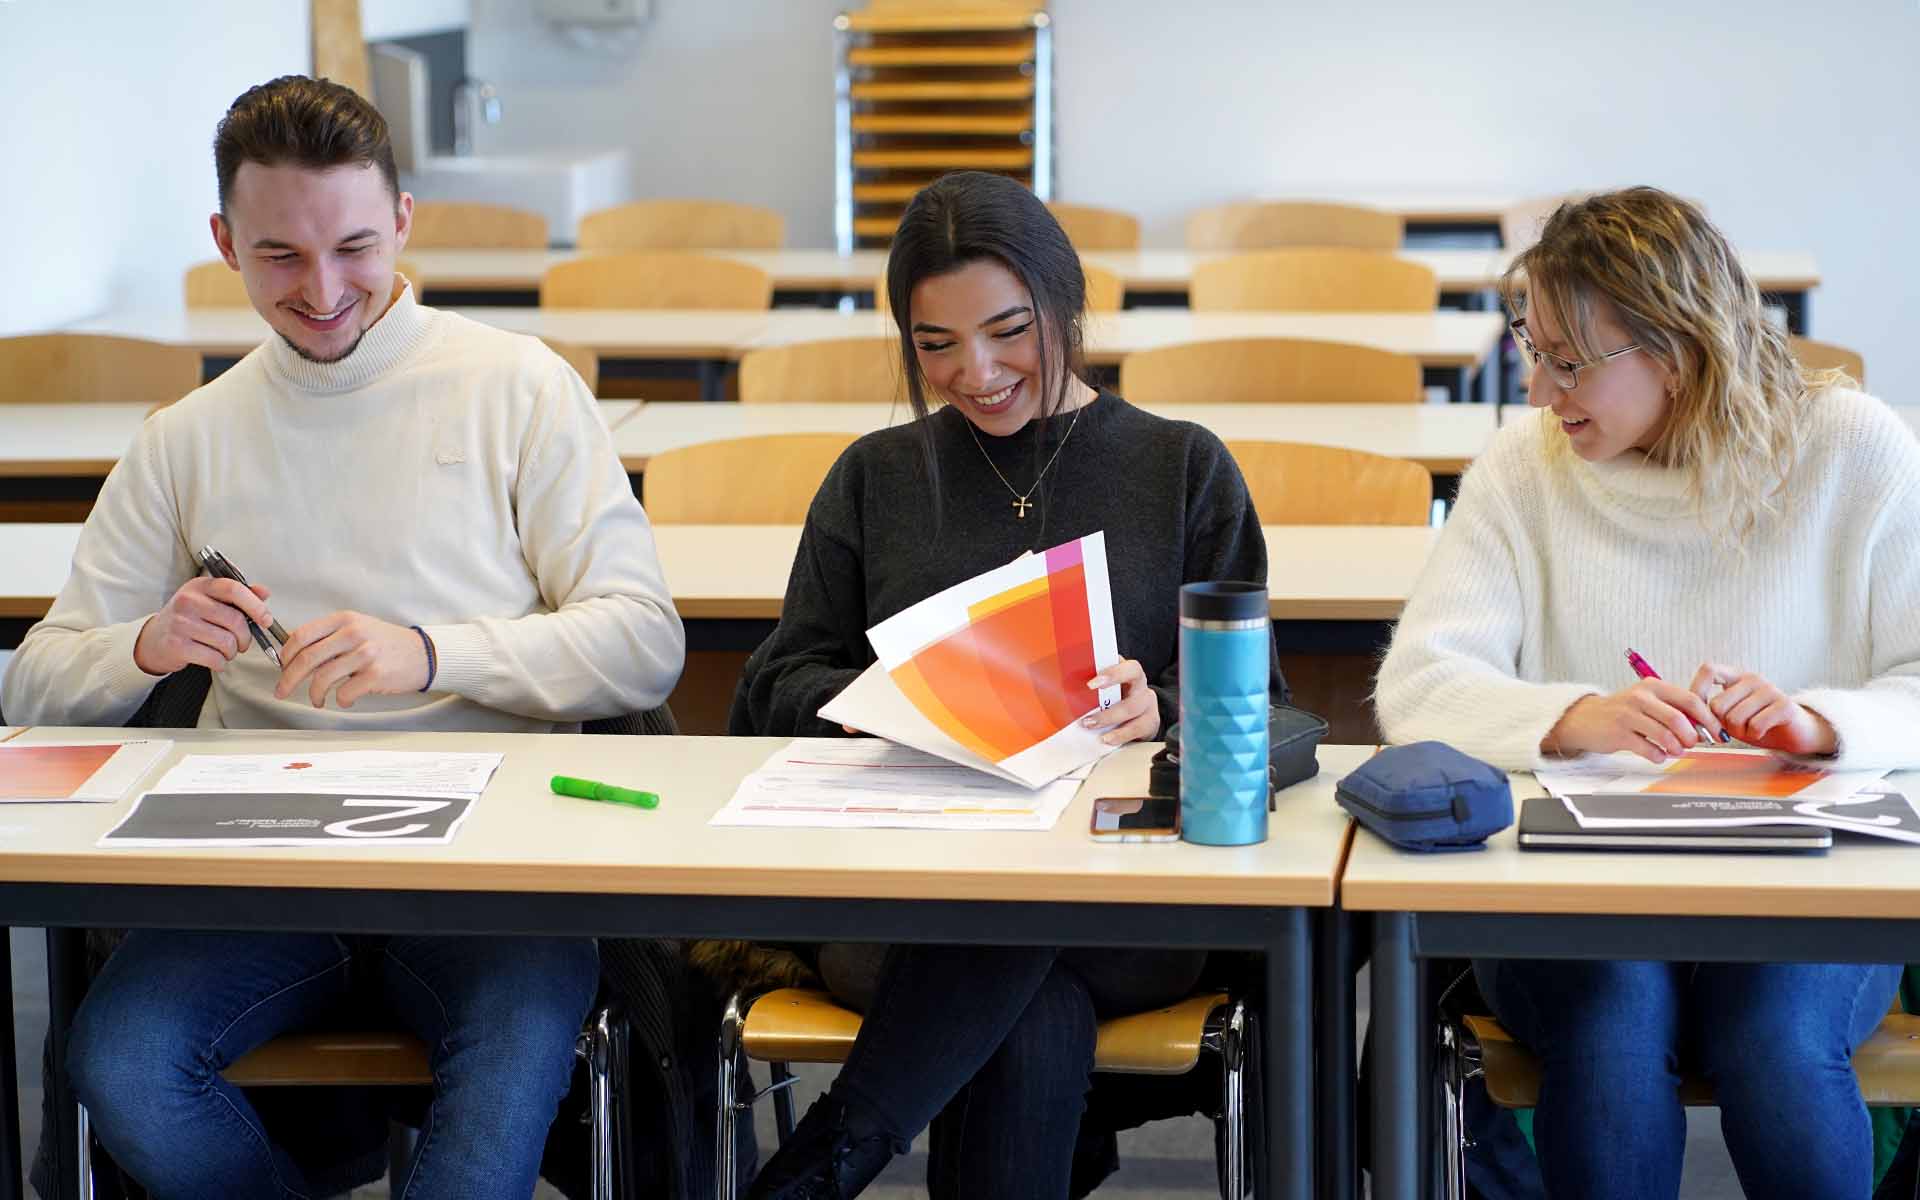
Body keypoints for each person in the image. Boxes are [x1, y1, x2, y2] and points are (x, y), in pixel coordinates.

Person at [1, 76, 685, 1199]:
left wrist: (430, 654)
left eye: (355, 248)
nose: (322, 292)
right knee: (118, 1063)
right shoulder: (187, 436)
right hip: (262, 866)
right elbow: (36, 673)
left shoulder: (517, 388)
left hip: (494, 866)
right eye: (279, 258)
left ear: (406, 221)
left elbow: (645, 642)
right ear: (225, 243)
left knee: (504, 1085)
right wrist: (149, 645)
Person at [730, 170, 1286, 1199]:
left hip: (1118, 893)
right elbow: (775, 683)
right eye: (934, 345)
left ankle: (832, 1153)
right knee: (1029, 999)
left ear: (1065, 304)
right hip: (909, 883)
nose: (975, 374)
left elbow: (1266, 705)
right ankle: (830, 1161)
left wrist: (1160, 704)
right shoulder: (877, 475)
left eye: (1007, 332)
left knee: (1024, 942)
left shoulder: (1180, 468)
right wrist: (888, 704)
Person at [1376, 186, 1920, 1199]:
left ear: (1678, 347)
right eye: (1529, 351)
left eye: (1568, 361)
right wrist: (1571, 718)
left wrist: (1820, 724)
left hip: (1803, 893)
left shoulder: (1854, 452)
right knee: (1616, 1022)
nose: (1540, 390)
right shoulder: (1521, 469)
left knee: (1777, 1037)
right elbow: (1419, 685)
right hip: (1582, 899)